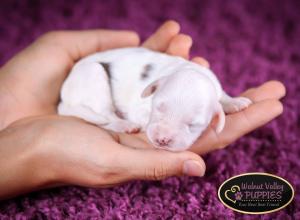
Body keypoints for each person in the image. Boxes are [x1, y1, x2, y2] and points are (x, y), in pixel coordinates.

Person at [0, 21, 285, 199]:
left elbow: (212, 95)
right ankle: (99, 117)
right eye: (159, 111)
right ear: (153, 91)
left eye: (191, 125)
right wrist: (116, 121)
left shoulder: (210, 92)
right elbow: (147, 103)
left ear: (215, 118)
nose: (164, 135)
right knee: (97, 80)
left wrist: (226, 101)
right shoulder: (154, 85)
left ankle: (106, 118)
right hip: (89, 79)